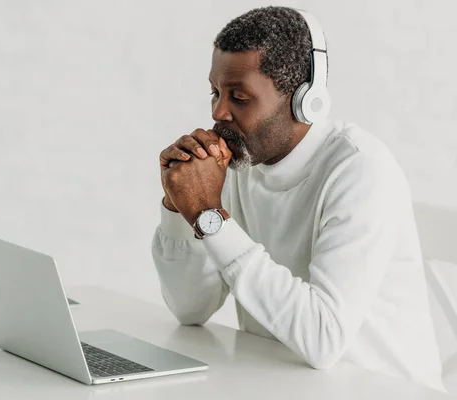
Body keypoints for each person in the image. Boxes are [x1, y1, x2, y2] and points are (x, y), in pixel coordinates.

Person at [152, 6, 445, 392]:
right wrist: (180, 207)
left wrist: (211, 216)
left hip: (380, 389)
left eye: (239, 97)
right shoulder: (241, 163)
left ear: (304, 101)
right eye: (215, 92)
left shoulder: (359, 170)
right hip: (282, 384)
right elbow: (190, 309)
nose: (218, 112)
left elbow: (323, 340)